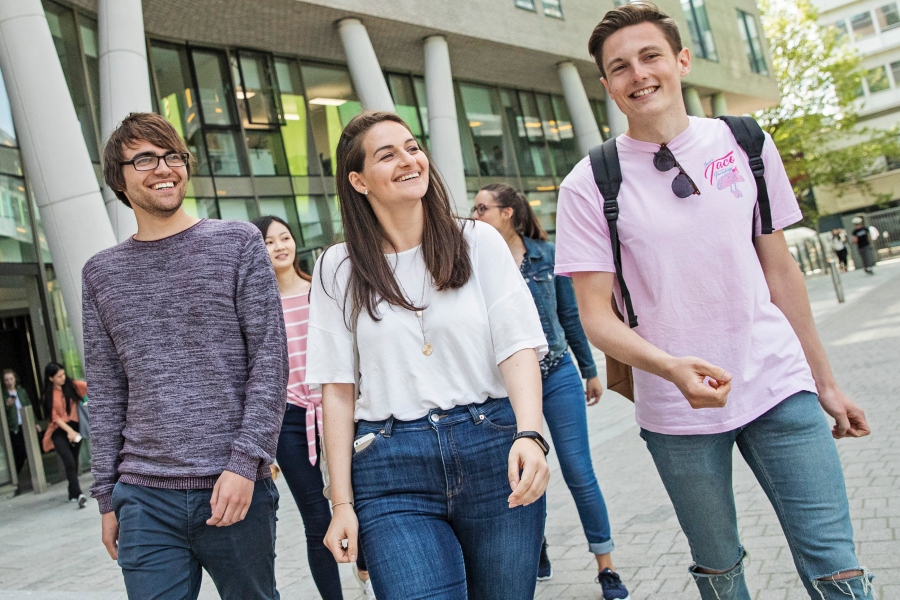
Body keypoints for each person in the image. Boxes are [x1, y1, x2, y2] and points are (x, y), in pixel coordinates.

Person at [553, 4, 873, 599]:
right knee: (719, 568)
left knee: (836, 563)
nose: (638, 74)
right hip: (677, 408)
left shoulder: (745, 142)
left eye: (650, 56)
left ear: (681, 60)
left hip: (778, 381)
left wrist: (824, 383)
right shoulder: (588, 184)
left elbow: (781, 274)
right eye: (619, 67)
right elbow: (594, 316)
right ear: (606, 86)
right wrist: (671, 368)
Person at [306, 111, 550, 600]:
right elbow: (336, 390)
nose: (408, 159)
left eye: (412, 147)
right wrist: (341, 503)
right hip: (390, 464)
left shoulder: (478, 243)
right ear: (358, 181)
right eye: (387, 154)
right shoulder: (338, 267)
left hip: (492, 447)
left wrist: (531, 433)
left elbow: (517, 345)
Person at [84, 112, 288, 599]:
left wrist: (244, 464)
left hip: (233, 488)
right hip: (144, 498)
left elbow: (269, 363)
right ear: (119, 178)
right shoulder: (101, 274)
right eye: (145, 159)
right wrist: (107, 497)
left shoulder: (238, 243)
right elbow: (108, 391)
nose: (164, 168)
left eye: (172, 156)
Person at [471, 183, 629, 599]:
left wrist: (590, 369)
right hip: (506, 385)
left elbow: (569, 315)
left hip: (557, 373)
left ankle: (606, 565)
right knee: (516, 475)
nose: (475, 216)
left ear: (507, 213)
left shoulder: (546, 254)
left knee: (578, 470)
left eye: (482, 208)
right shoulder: (474, 261)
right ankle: (534, 547)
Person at [252, 215, 375, 600]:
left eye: (284, 237)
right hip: (290, 420)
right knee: (315, 518)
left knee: (362, 500)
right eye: (269, 242)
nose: (279, 246)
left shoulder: (319, 290)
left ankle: (368, 571)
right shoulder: (257, 305)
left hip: (340, 410)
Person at [39, 362, 87, 507]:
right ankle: (79, 494)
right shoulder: (48, 395)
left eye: (63, 374)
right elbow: (55, 418)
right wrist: (70, 431)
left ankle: (72, 490)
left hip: (76, 426)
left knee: (74, 460)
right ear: (51, 378)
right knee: (69, 461)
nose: (63, 378)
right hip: (59, 430)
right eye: (59, 376)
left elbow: (89, 386)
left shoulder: (71, 385)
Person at [3, 368, 33, 496]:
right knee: (19, 454)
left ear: (15, 379)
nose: (9, 382)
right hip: (14, 427)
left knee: (30, 452)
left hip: (25, 424)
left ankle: (33, 479)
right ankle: (15, 479)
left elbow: (28, 405)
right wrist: (7, 405)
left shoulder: (21, 392)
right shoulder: (4, 395)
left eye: (11, 379)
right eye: (6, 380)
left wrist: (35, 423)